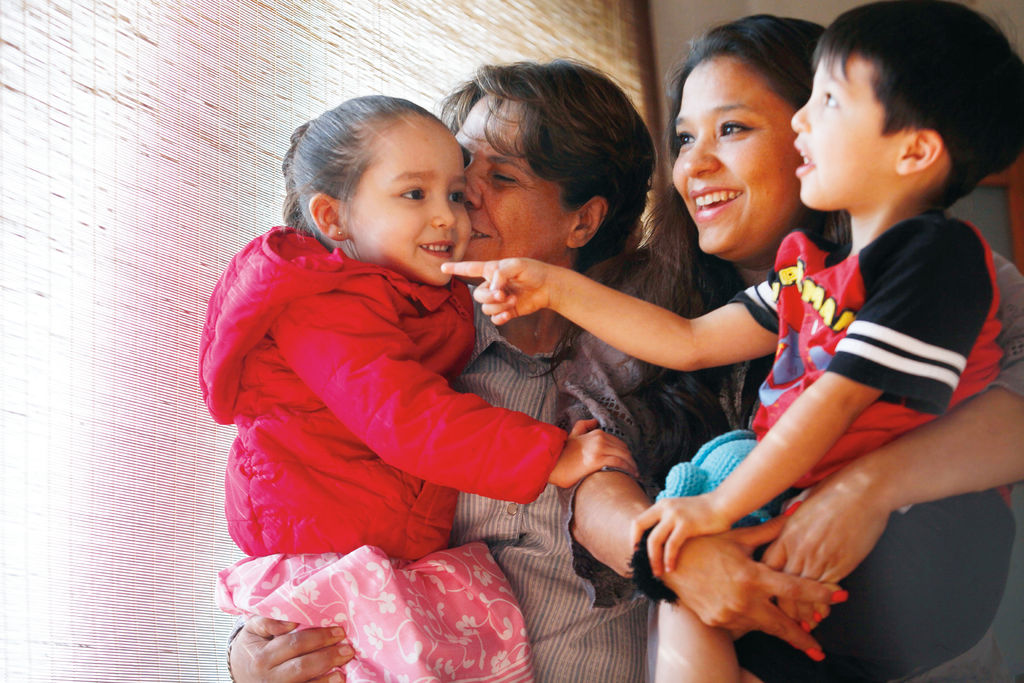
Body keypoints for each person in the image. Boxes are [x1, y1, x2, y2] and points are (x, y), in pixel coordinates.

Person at [227, 45, 1024, 681]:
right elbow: (312, 501)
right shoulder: (414, 351)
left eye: (492, 179)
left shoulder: (921, 267)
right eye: (685, 139)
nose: (458, 205)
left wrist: (867, 486)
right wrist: (256, 647)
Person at [199, 94, 638, 681]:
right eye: (420, 192)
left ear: (582, 220)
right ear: (333, 217)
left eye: (495, 179)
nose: (460, 208)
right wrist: (248, 660)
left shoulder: (645, 365)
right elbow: (399, 423)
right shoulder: (344, 309)